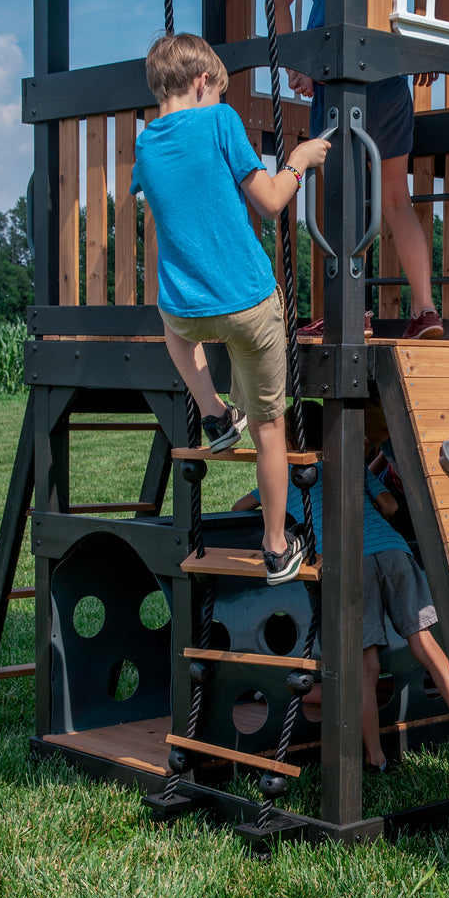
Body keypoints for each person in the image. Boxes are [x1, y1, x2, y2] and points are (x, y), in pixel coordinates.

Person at [130, 32, 330, 584]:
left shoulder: (146, 144)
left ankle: (215, 414)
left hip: (187, 307)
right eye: (216, 91)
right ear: (201, 83)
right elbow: (268, 203)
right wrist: (299, 162)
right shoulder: (220, 122)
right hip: (246, 299)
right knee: (271, 429)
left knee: (173, 329)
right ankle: (274, 545)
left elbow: (152, 190)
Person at [234, 401, 449, 772]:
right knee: (425, 641)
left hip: (348, 560)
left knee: (366, 666)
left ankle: (375, 758)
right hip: (393, 550)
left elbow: (237, 509)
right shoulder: (348, 462)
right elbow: (390, 505)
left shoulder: (282, 475)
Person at [273, 0, 449, 339]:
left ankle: (351, 312)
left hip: (335, 75)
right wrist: (426, 46)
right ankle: (426, 309)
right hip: (388, 75)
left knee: (343, 197)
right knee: (395, 197)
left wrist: (296, 63)